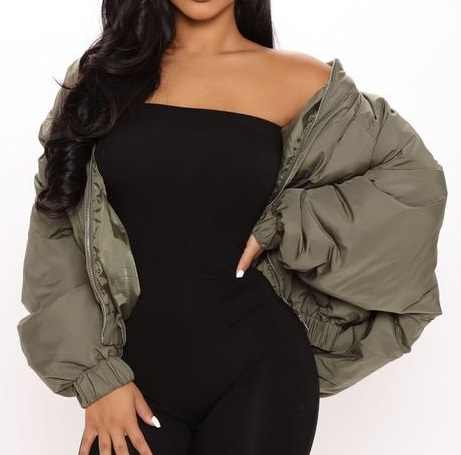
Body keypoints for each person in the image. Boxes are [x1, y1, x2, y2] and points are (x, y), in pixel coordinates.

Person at [17, 1, 447, 455]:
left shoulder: (301, 82)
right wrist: (96, 377)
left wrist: (288, 223)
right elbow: (55, 233)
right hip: (132, 377)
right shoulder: (101, 80)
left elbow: (413, 184)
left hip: (262, 370)